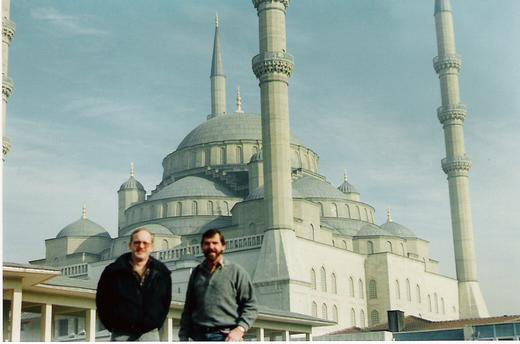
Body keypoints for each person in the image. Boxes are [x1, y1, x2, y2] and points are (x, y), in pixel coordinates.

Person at [179, 229, 258, 341]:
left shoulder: (236, 272)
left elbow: (251, 306)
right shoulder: (196, 273)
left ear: (223, 246)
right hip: (198, 336)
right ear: (202, 247)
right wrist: (183, 336)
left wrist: (240, 329)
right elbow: (188, 308)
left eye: (215, 243)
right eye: (207, 243)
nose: (211, 247)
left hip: (225, 336)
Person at [96, 228, 172, 341]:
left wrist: (152, 323)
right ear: (130, 245)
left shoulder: (162, 273)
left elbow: (165, 303)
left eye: (145, 243)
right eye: (137, 242)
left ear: (151, 247)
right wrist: (115, 325)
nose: (141, 246)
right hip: (121, 334)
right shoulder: (112, 272)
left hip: (149, 334)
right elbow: (102, 302)